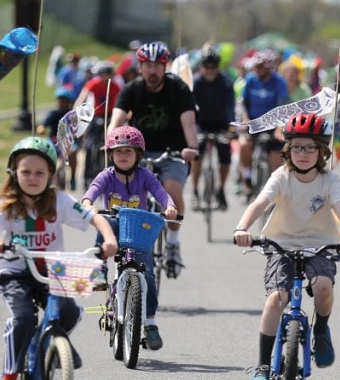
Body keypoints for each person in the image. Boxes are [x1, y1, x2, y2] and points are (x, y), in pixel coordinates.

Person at [0, 137, 118, 380]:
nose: (32, 178)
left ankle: (55, 341)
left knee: (71, 311)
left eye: (40, 173)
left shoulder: (59, 200)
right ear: (13, 173)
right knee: (23, 319)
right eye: (26, 172)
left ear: (50, 175)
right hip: (16, 272)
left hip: (55, 270)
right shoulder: (6, 205)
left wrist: (108, 238)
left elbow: (95, 218)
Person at [233, 112, 340, 380]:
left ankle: (322, 329)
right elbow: (260, 203)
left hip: (321, 244)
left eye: (310, 147)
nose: (303, 153)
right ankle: (263, 367)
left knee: (324, 287)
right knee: (277, 299)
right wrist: (242, 228)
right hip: (281, 244)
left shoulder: (330, 180)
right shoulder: (282, 176)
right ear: (288, 151)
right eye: (297, 147)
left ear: (322, 151)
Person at [81, 126, 176, 350]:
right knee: (105, 222)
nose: (123, 156)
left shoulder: (145, 176)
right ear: (110, 154)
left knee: (150, 276)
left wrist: (170, 206)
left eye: (128, 151)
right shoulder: (107, 175)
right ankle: (99, 270)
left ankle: (150, 322)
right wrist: (87, 203)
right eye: (118, 151)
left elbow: (160, 193)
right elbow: (93, 189)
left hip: (136, 231)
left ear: (138, 155)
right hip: (114, 227)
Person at [109, 41, 198, 278]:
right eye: (147, 65)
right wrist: (111, 141)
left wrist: (192, 147)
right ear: (140, 67)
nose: (152, 71)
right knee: (127, 197)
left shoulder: (178, 88)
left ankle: (172, 243)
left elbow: (188, 123)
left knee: (171, 191)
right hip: (138, 153)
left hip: (174, 153)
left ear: (165, 66)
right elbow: (116, 120)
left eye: (158, 65)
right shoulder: (132, 89)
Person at [237, 49, 289, 196]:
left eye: (260, 67)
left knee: (276, 159)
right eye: (255, 67)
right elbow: (243, 103)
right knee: (244, 145)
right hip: (253, 122)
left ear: (269, 67)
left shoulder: (279, 82)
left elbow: (283, 108)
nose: (256, 70)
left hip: (273, 125)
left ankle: (274, 190)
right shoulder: (250, 79)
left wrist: (279, 129)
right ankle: (247, 177)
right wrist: (246, 119)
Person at [190, 46, 235, 211]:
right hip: (200, 123)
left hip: (221, 123)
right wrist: (191, 130)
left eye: (213, 66)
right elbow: (190, 108)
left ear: (218, 66)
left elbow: (230, 107)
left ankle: (221, 190)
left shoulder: (225, 82)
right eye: (206, 66)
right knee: (197, 153)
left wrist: (231, 128)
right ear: (201, 66)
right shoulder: (195, 82)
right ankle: (195, 191)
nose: (210, 70)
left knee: (225, 157)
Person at [75, 61, 121, 187]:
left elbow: (121, 102)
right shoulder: (93, 84)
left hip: (111, 116)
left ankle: (112, 175)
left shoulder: (115, 86)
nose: (105, 77)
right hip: (96, 116)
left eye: (108, 74)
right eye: (102, 74)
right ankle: (87, 176)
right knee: (89, 145)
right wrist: (77, 111)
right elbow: (81, 98)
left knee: (113, 143)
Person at [38, 88, 77, 190]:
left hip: (67, 141)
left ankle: (73, 178)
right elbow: (43, 124)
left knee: (73, 153)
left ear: (68, 102)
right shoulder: (53, 113)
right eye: (60, 100)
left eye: (64, 100)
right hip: (53, 140)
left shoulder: (71, 114)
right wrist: (41, 128)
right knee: (48, 153)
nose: (61, 102)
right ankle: (50, 177)